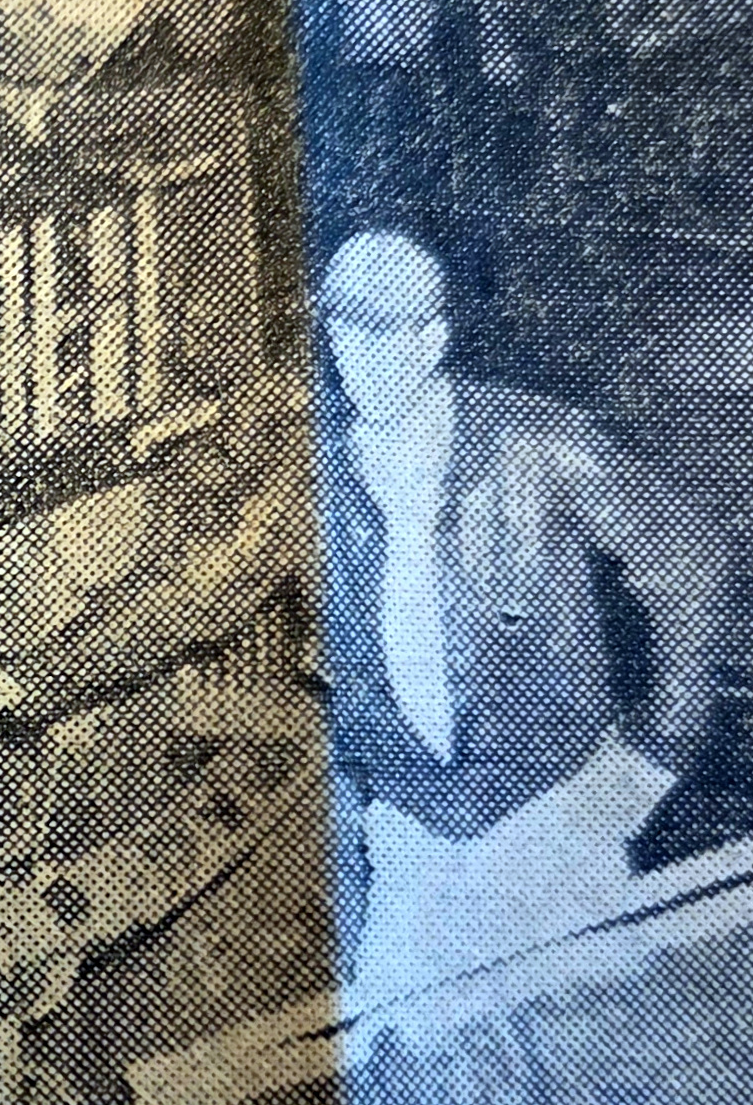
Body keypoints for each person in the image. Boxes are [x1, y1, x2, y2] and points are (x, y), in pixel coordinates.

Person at [311, 230, 730, 993]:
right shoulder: (320, 487)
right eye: (343, 332)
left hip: (559, 827)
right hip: (412, 848)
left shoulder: (535, 442)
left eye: (383, 333)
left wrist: (649, 761)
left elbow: (686, 555)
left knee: (587, 1038)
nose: (360, 358)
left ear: (432, 338)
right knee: (408, 1052)